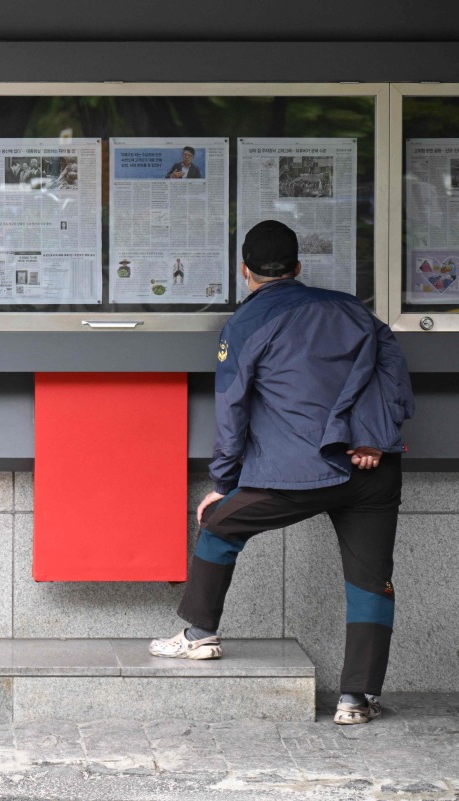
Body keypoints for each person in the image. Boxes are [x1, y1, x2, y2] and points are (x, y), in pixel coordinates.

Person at [148, 220, 414, 726]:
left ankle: (200, 634)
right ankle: (356, 698)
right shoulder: (353, 310)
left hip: (300, 473)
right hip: (372, 468)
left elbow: (232, 412)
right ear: (297, 268)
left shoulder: (246, 325)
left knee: (220, 523)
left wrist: (223, 484)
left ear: (244, 272)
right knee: (370, 579)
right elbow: (393, 374)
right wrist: (372, 438)